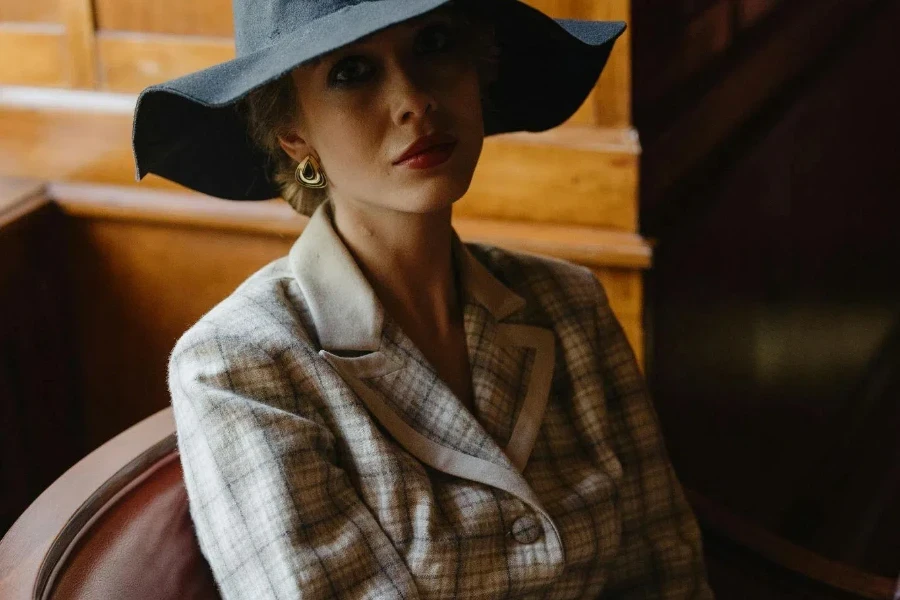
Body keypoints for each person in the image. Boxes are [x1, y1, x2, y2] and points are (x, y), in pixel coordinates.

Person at [132, 0, 714, 598]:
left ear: (477, 68)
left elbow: (670, 571)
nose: (414, 99)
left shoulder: (570, 305)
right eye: (351, 72)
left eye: (433, 43)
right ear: (293, 133)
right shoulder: (240, 366)